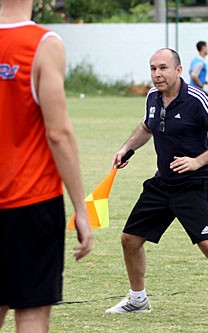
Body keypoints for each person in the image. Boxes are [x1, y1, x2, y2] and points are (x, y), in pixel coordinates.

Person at [105, 48, 208, 323]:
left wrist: (197, 162)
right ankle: (138, 299)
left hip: (195, 185)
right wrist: (127, 148)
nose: (157, 74)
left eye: (163, 68)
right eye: (152, 68)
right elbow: (147, 127)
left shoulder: (197, 99)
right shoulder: (152, 97)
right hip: (162, 184)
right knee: (129, 239)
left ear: (178, 70)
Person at [0, 0, 93, 332]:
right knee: (32, 313)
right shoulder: (43, 44)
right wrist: (81, 209)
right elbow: (59, 133)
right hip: (31, 201)